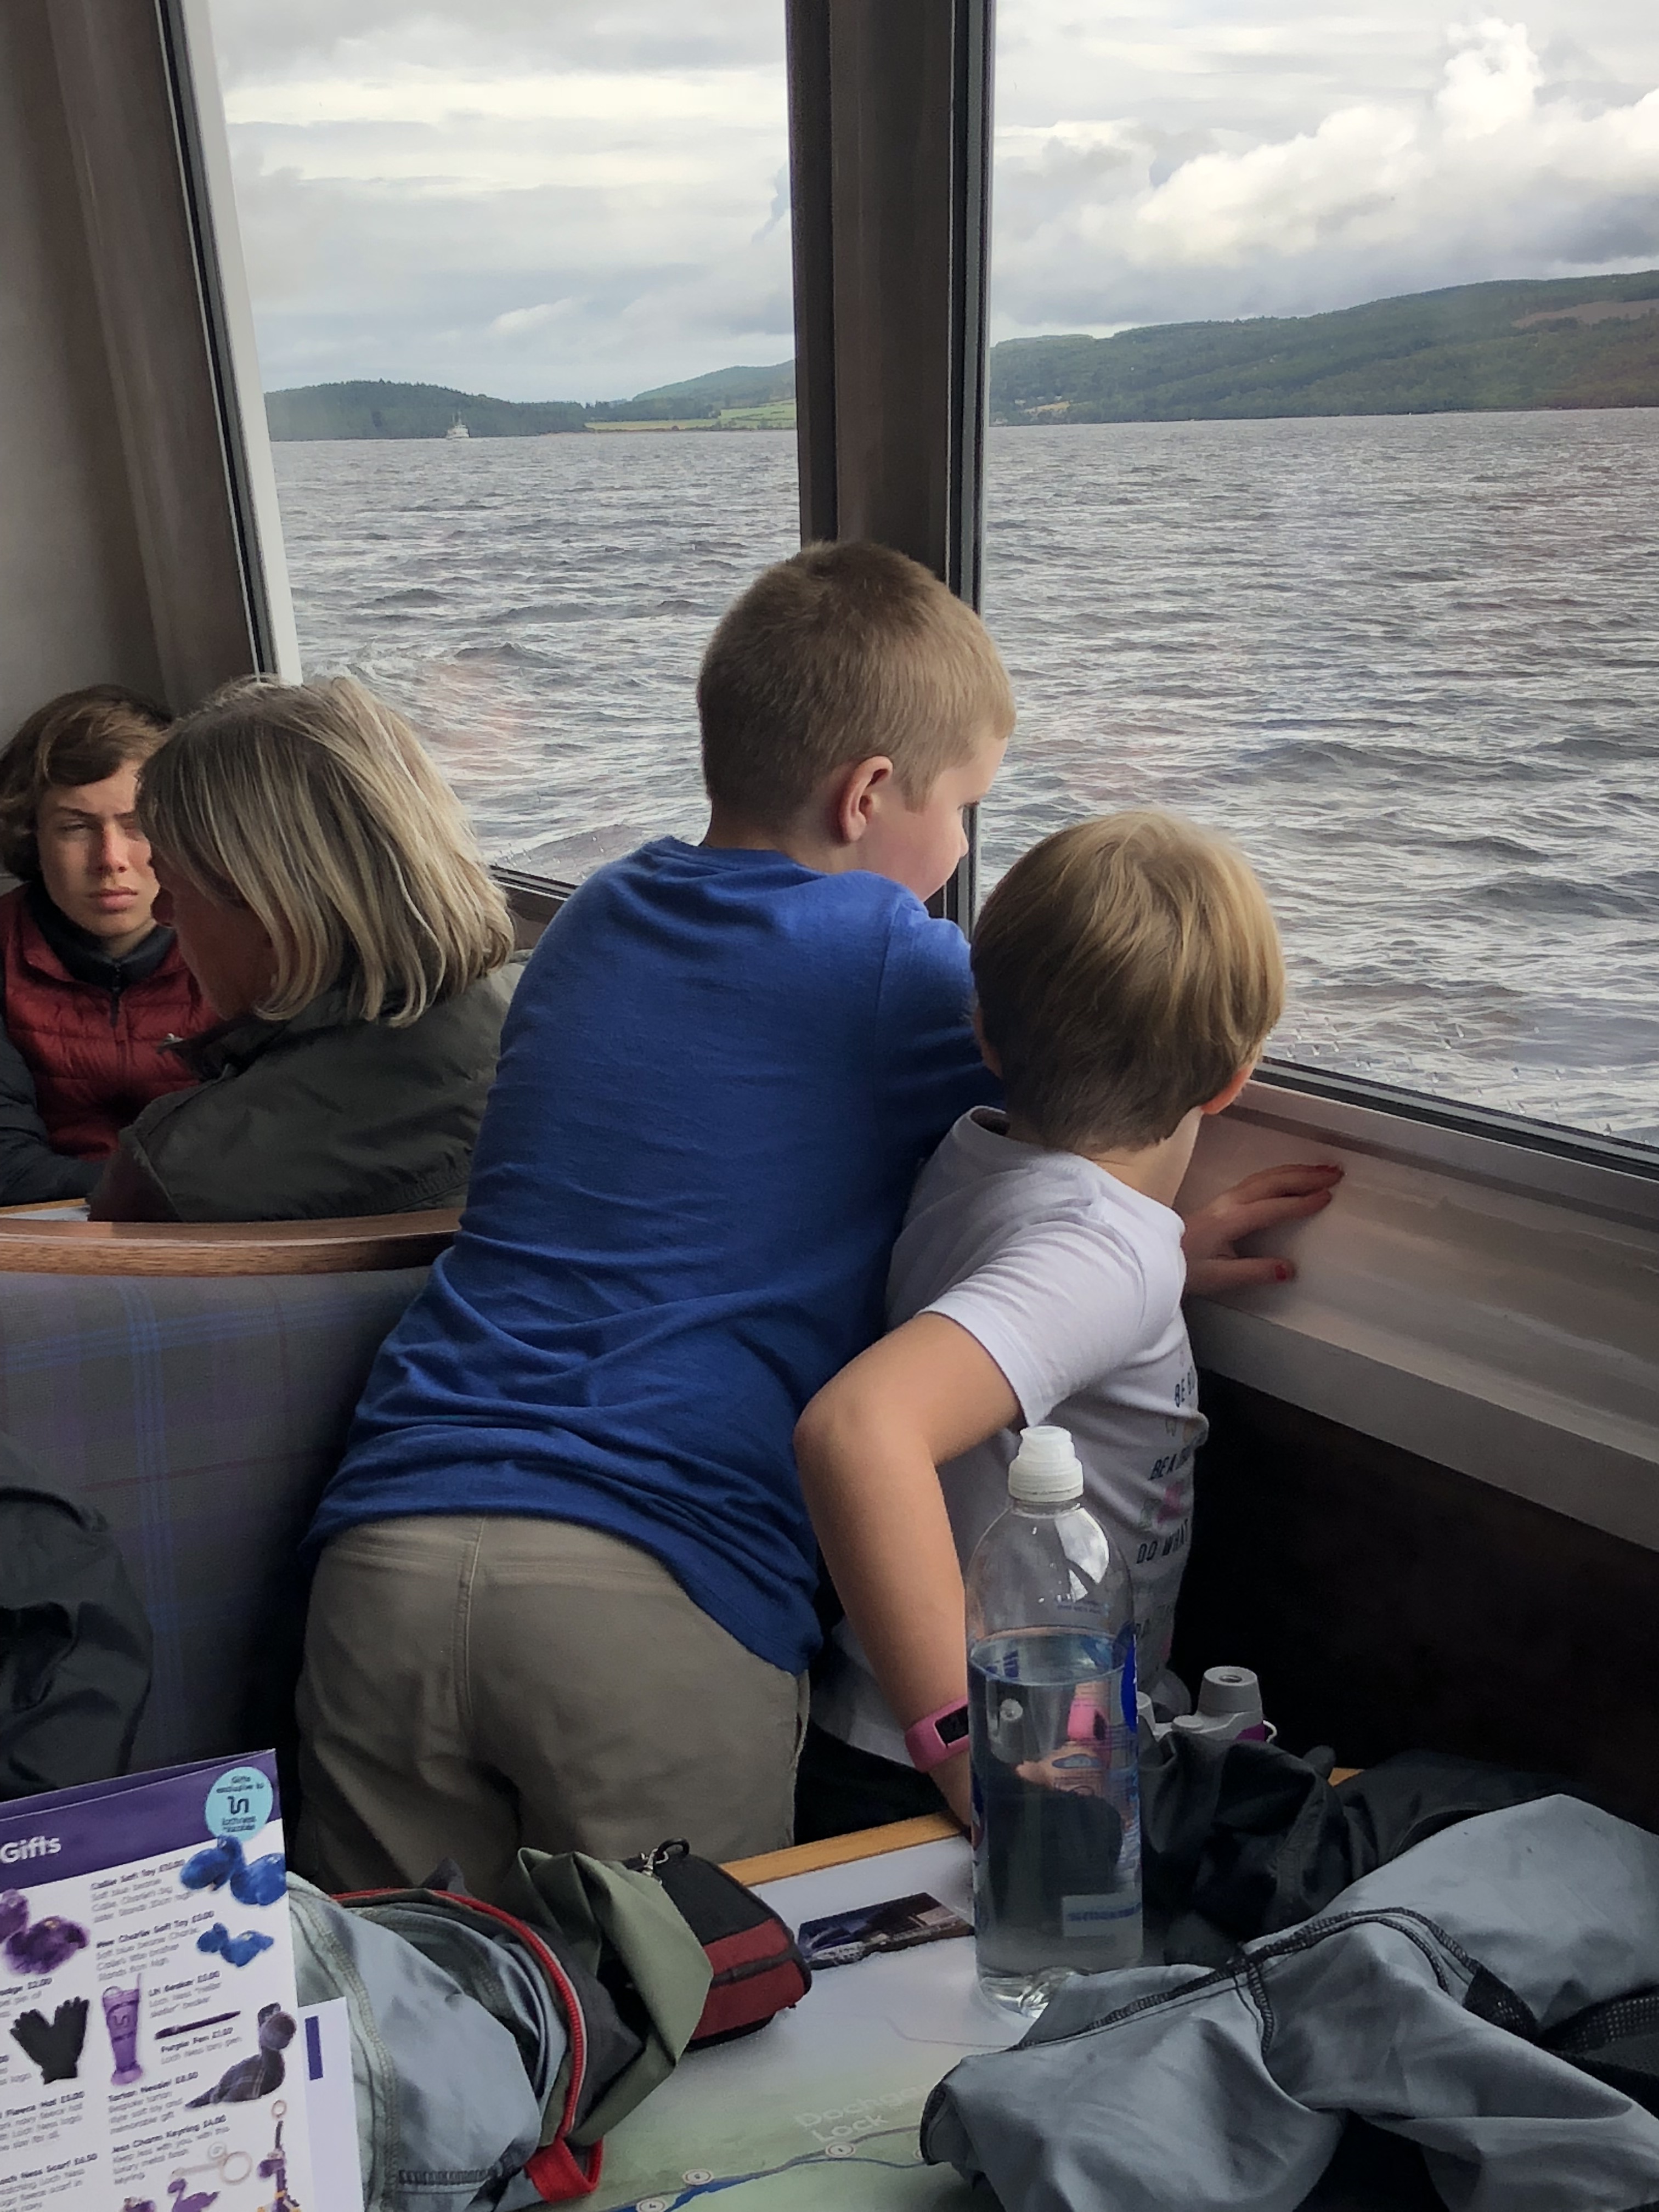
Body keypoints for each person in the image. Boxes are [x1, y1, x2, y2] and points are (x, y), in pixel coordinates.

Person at [295, 543, 1325, 1900]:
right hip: (658, 1583)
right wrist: (1148, 1248)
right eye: (966, 808)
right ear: (867, 797)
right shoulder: (900, 966)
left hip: (386, 1541)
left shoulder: (594, 917)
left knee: (408, 2001)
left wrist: (1159, 1257)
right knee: (684, 2017)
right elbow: (1083, 1093)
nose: (963, 851)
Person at [794, 811, 1341, 1835]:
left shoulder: (979, 1156)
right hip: (969, 1763)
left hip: (874, 1731)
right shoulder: (1104, 1257)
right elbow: (856, 1429)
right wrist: (969, 1751)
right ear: (1233, 1081)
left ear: (986, 1036)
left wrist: (1161, 1263)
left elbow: (1034, 1251)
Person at [88, 676, 515, 1223]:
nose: (163, 913)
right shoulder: (576, 1024)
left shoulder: (173, 1178)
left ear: (272, 912)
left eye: (173, 887)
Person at [0, 686, 211, 1205]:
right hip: (43, 1235)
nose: (110, 859)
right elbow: (6, 1170)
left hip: (227, 1229)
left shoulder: (241, 941)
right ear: (32, 836)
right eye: (76, 828)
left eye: (138, 825)